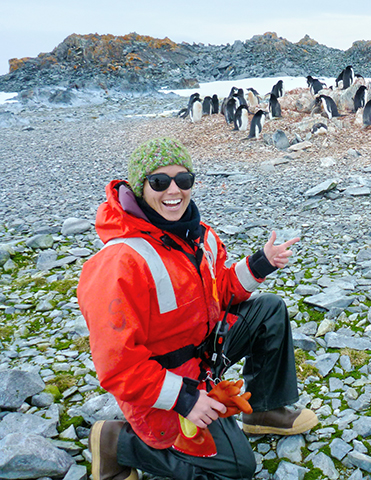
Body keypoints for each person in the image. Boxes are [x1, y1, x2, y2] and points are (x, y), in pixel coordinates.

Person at [77, 137, 317, 480]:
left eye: (183, 179)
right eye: (160, 181)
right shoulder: (119, 262)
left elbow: (220, 291)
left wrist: (260, 264)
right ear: (140, 188)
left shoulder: (198, 235)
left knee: (269, 309)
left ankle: (263, 410)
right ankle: (117, 442)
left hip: (202, 357)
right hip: (160, 386)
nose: (174, 190)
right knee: (237, 468)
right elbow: (118, 367)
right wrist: (186, 399)